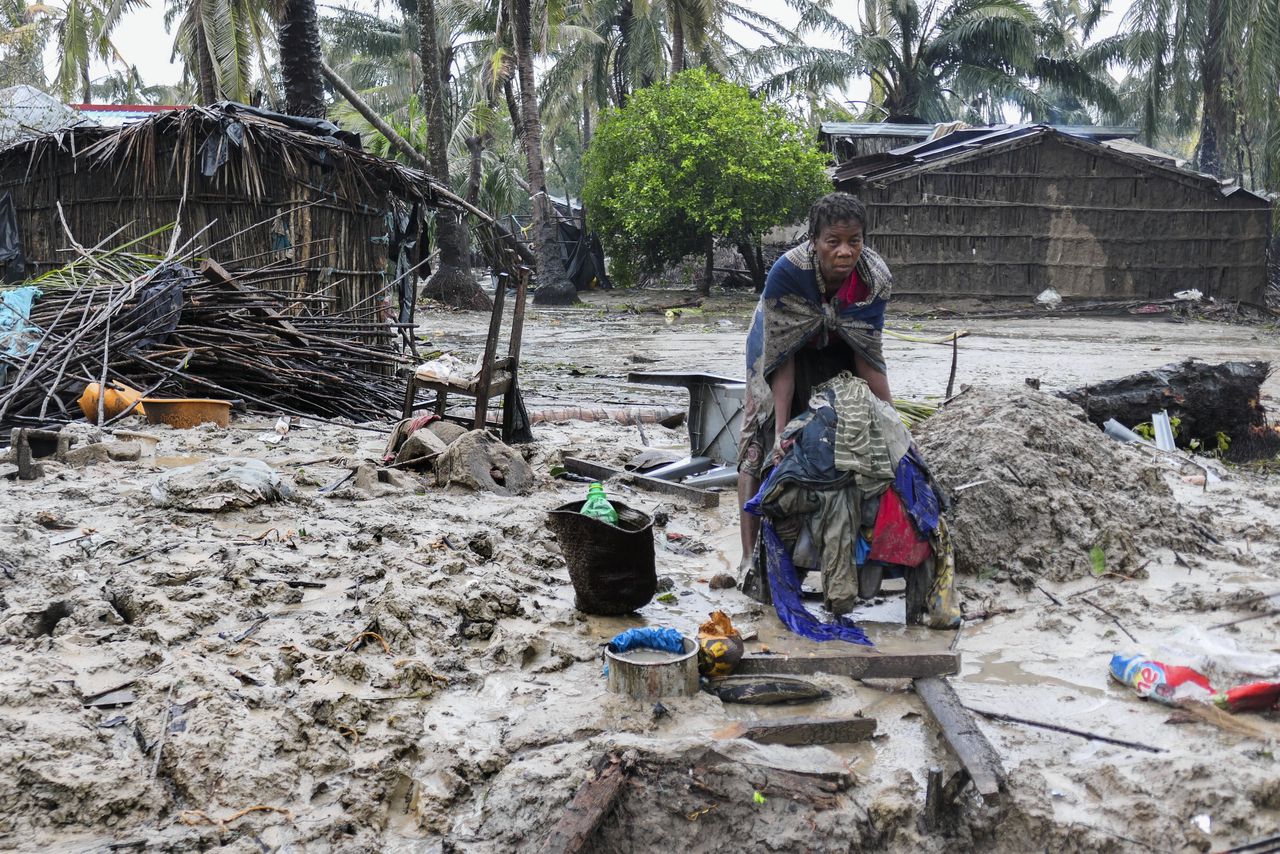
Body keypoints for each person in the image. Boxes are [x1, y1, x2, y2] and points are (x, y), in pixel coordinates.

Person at [737, 192, 894, 574]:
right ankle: (748, 556)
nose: (844, 252)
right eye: (833, 242)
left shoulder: (874, 280)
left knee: (847, 428)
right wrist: (780, 432)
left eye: (854, 241)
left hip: (840, 344)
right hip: (778, 344)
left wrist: (893, 423)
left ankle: (833, 548)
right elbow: (783, 361)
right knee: (758, 440)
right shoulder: (788, 274)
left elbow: (869, 357)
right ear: (814, 240)